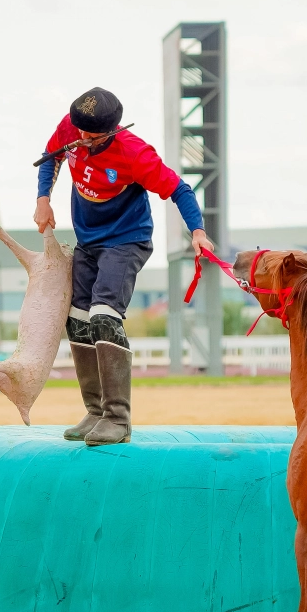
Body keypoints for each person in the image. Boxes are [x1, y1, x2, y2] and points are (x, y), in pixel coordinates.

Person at [34, 87, 215, 445]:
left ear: (113, 130)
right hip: (89, 242)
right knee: (78, 318)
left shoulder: (135, 153)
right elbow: (50, 157)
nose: (81, 139)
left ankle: (119, 418)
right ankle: (96, 411)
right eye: (78, 131)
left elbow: (179, 189)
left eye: (91, 135)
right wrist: (43, 200)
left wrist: (197, 231)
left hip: (126, 240)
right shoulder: (72, 128)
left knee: (104, 313)